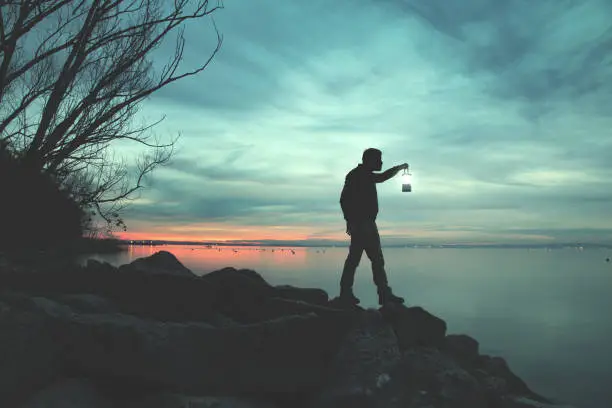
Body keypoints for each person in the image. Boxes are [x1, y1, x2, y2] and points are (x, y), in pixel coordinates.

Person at [339, 148, 408, 305]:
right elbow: (345, 199)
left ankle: (349, 293)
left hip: (364, 223)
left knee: (361, 260)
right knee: (370, 260)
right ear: (370, 160)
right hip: (363, 224)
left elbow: (344, 200)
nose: (381, 162)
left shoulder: (361, 175)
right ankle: (380, 294)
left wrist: (350, 221)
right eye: (379, 159)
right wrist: (399, 168)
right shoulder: (360, 175)